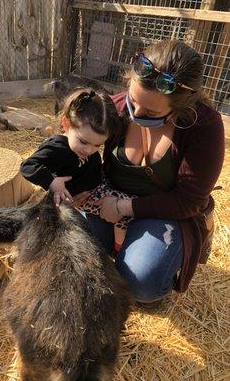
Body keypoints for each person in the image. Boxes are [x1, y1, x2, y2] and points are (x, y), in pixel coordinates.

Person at [73, 39, 225, 306]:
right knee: (71, 247)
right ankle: (121, 248)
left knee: (140, 284)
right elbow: (79, 147)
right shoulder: (116, 107)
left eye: (151, 111)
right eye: (133, 101)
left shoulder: (204, 126)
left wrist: (122, 207)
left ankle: (156, 257)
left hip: (166, 211)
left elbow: (188, 201)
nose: (135, 114)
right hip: (109, 199)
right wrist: (73, 186)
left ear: (181, 106)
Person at [20, 87, 134, 249]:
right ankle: (118, 248)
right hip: (87, 197)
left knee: (130, 202)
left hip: (100, 185)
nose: (89, 150)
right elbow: (28, 166)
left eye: (97, 145)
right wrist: (53, 182)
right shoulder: (57, 147)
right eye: (83, 142)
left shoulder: (83, 146)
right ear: (66, 124)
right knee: (126, 213)